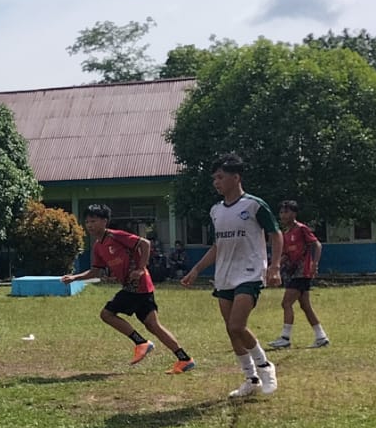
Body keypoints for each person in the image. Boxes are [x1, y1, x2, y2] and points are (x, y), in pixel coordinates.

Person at [182, 154, 283, 398]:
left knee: (238, 325)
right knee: (231, 329)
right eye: (214, 178)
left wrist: (275, 266)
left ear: (235, 177)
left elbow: (276, 234)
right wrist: (196, 269)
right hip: (224, 275)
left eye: (220, 177)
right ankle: (251, 379)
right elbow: (218, 245)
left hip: (249, 272)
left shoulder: (254, 205)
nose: (216, 182)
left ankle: (265, 366)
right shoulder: (216, 211)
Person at [62, 205, 196, 374]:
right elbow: (95, 271)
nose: (89, 225)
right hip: (138, 287)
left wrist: (141, 268)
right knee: (153, 325)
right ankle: (185, 359)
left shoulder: (116, 236)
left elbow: (145, 244)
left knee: (107, 314)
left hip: (136, 286)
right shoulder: (98, 246)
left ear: (105, 221)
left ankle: (141, 343)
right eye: (87, 221)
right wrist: (74, 278)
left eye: (93, 221)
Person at [269, 200, 330, 349]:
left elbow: (317, 244)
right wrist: (273, 267)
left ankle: (285, 338)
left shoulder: (301, 229)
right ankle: (321, 336)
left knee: (286, 303)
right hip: (292, 271)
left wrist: (314, 263)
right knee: (305, 305)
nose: (283, 215)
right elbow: (286, 255)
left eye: (287, 212)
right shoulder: (285, 233)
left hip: (302, 272)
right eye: (282, 212)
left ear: (294, 213)